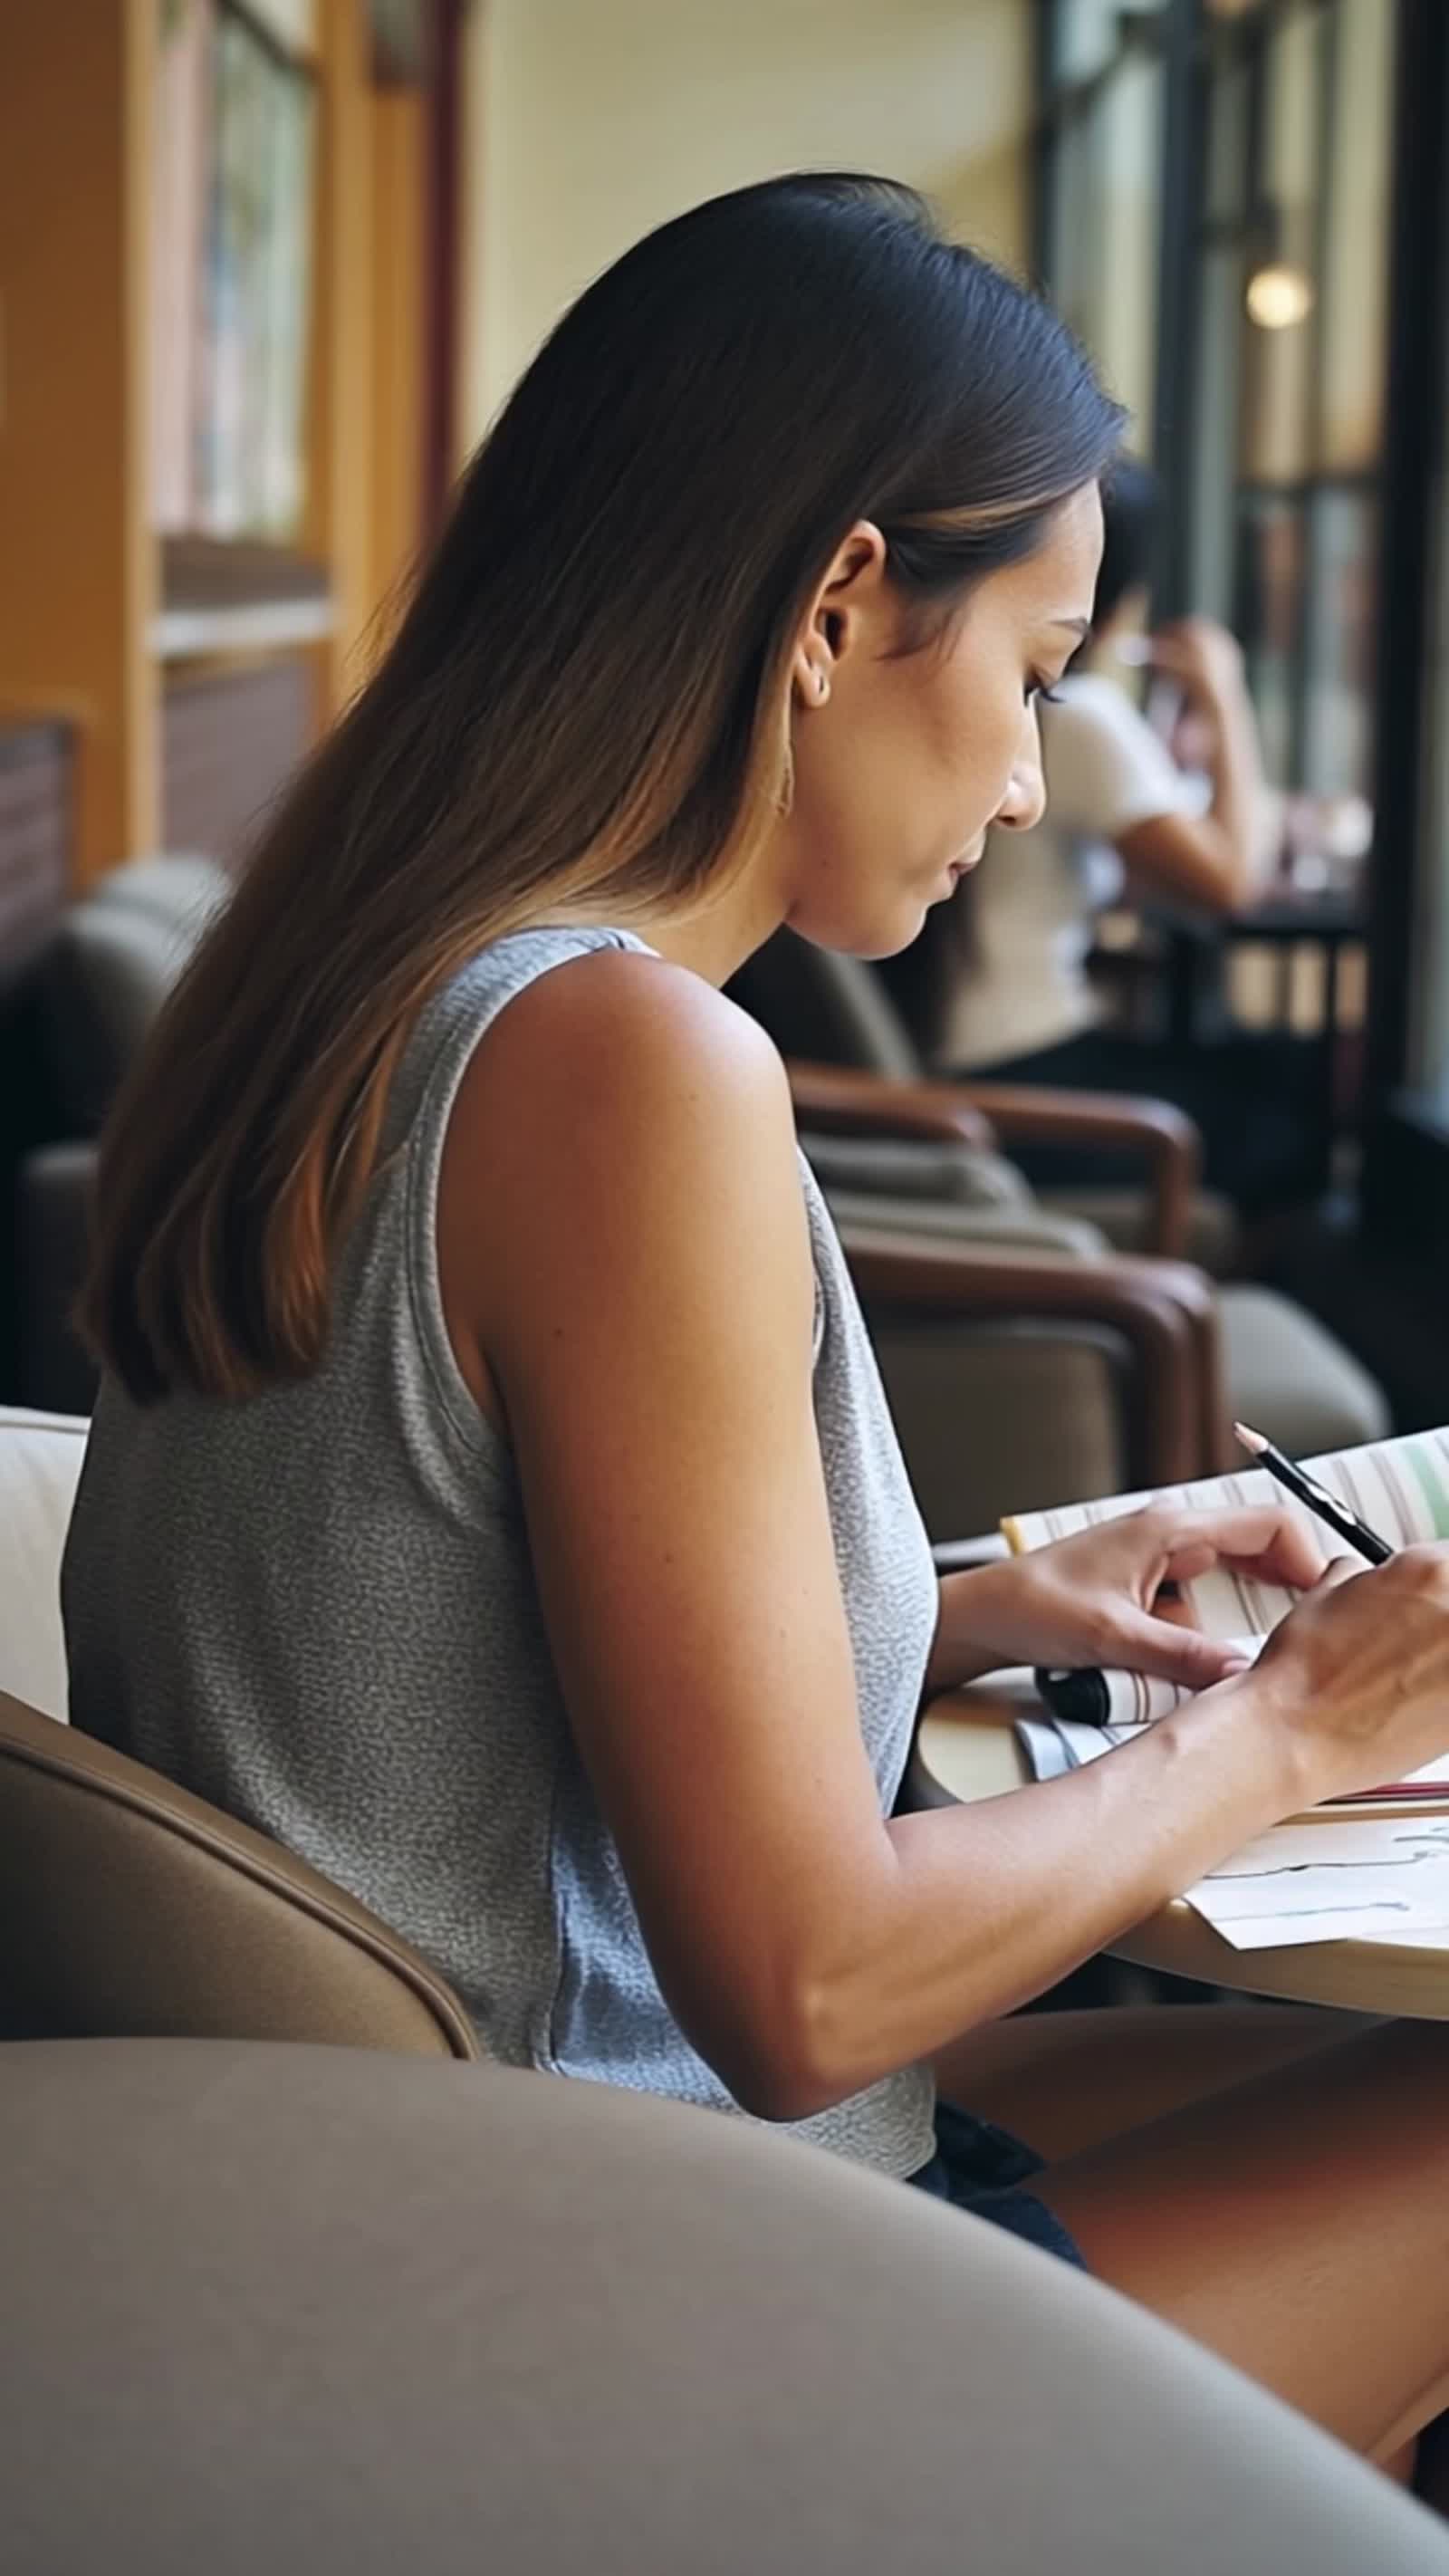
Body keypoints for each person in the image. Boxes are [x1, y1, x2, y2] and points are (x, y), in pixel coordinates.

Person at [60, 176, 1449, 2505]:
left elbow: (416, 1621)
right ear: (835, 606)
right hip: (620, 2327)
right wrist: (1296, 1729)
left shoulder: (363, 981)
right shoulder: (622, 1072)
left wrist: (981, 1604)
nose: (1026, 785)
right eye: (1030, 672)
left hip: (359, 2231)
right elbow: (803, 1992)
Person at [907, 459, 1318, 1214]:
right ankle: (1210, 1293)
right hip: (1022, 1072)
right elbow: (1229, 885)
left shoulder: (1038, 708)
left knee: (1262, 1078)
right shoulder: (1081, 712)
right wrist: (1224, 694)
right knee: (1287, 1111)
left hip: (968, 1060)